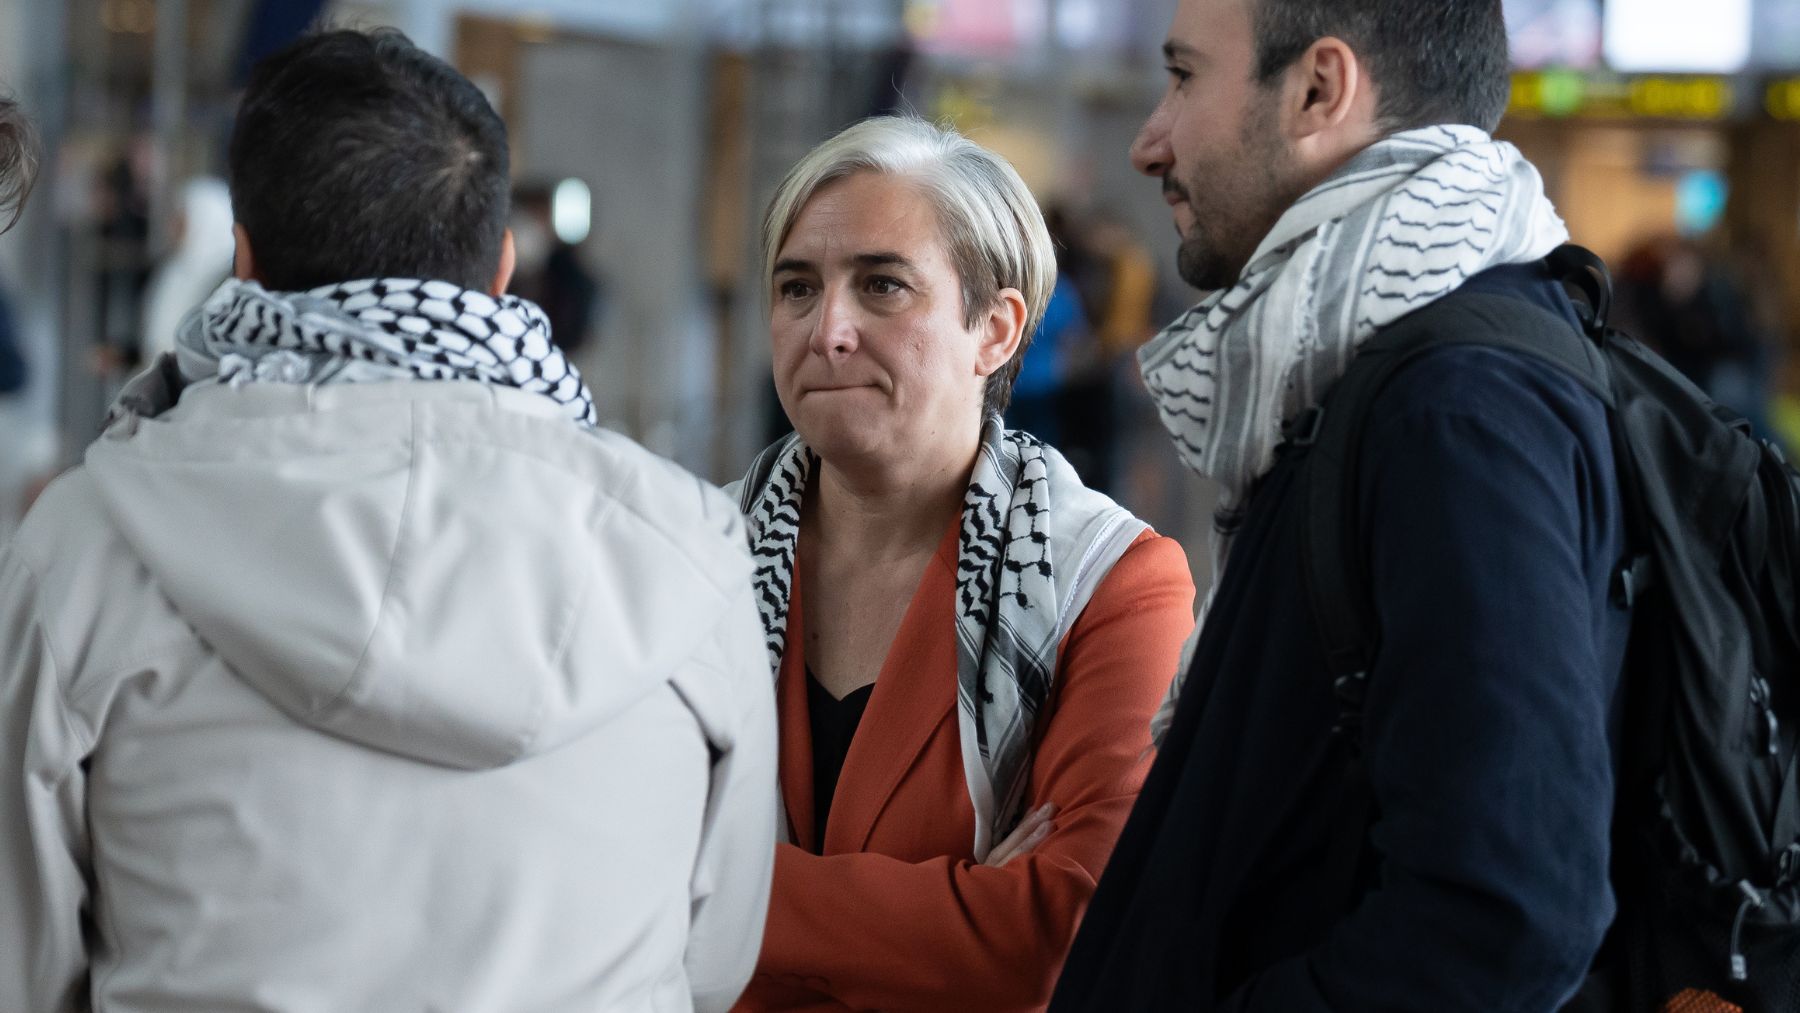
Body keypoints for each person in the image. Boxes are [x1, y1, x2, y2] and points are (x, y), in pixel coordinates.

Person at [0, 29, 776, 1012]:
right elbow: (716, 957)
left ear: (242, 259)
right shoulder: (691, 548)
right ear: (502, 268)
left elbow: (19, 960)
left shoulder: (84, 540)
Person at [1050, 1, 1630, 1009]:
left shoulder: (1457, 408)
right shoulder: (1372, 374)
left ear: (1319, 90)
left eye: (1184, 77)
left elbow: (1507, 912)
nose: (1151, 140)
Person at [728, 116, 1197, 1013]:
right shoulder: (688, 554)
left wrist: (719, 885)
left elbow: (1064, 938)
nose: (828, 329)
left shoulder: (1109, 582)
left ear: (996, 327)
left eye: (882, 286)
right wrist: (960, 911)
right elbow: (593, 864)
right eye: (797, 287)